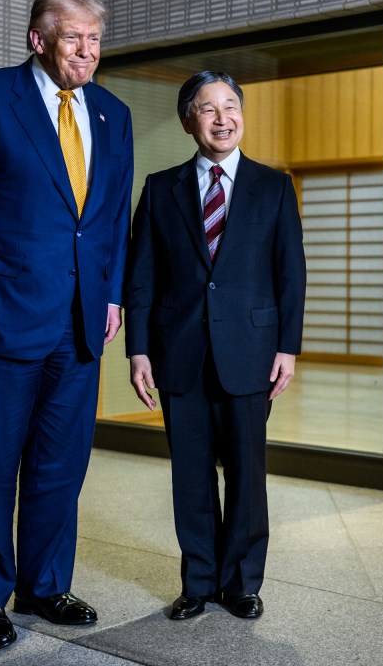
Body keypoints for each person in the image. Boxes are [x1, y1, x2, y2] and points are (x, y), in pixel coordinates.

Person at [0, 0, 134, 650]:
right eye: (73, 37)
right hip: (1, 317)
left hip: (79, 321)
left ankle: (44, 586)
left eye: (95, 39)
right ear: (36, 40)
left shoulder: (112, 113)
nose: (87, 51)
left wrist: (111, 295)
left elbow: (111, 218)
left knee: (59, 465)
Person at [123, 71, 305, 622]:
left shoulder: (273, 187)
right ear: (188, 121)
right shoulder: (160, 189)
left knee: (247, 474)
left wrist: (287, 348)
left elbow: (290, 274)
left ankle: (243, 583)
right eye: (208, 108)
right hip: (179, 354)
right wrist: (138, 350)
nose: (223, 117)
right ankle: (198, 582)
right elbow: (141, 278)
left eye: (231, 106)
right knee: (191, 475)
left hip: (250, 352)